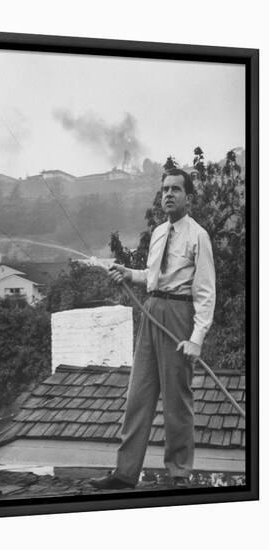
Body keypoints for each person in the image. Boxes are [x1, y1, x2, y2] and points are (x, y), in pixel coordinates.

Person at [90, 168, 216, 490]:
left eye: (176, 189)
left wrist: (196, 339)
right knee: (138, 395)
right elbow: (152, 275)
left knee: (177, 400)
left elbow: (205, 292)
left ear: (188, 196)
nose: (169, 194)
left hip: (178, 314)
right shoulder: (160, 232)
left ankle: (178, 475)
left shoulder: (198, 235)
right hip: (152, 311)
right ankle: (124, 473)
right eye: (164, 190)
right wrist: (127, 273)